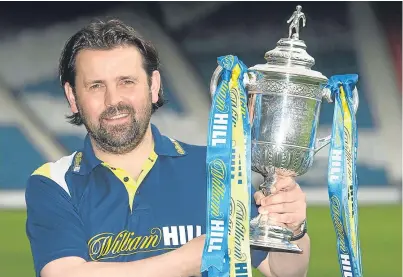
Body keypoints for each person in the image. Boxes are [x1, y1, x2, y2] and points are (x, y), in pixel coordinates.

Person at [25, 19, 310, 277]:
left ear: (153, 86)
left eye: (127, 82)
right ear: (72, 97)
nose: (114, 100)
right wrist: (189, 259)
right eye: (96, 86)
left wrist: (293, 229)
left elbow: (279, 270)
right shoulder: (54, 182)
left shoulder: (214, 169)